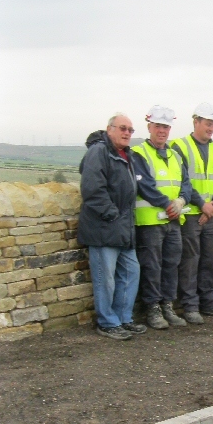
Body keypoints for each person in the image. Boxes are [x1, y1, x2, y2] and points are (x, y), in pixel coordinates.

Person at [77, 113, 146, 340]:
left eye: (130, 130)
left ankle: (123, 318)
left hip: (124, 229)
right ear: (110, 129)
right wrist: (112, 215)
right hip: (104, 228)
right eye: (123, 128)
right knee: (104, 278)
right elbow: (92, 189)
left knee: (131, 272)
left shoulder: (128, 155)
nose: (127, 133)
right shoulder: (99, 152)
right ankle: (107, 322)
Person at [170, 103, 213, 324]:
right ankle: (190, 306)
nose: (211, 128)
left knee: (210, 259)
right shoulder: (180, 146)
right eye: (208, 123)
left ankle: (209, 302)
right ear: (195, 121)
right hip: (190, 214)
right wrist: (202, 204)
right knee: (190, 260)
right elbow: (183, 180)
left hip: (209, 214)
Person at [132, 105, 192, 329]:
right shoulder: (139, 153)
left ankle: (167, 305)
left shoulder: (176, 156)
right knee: (151, 266)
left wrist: (182, 201)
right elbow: (144, 186)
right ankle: (153, 309)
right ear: (149, 126)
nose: (162, 131)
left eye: (166, 127)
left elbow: (186, 185)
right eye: (158, 126)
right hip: (150, 222)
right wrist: (168, 203)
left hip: (173, 221)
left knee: (171, 264)